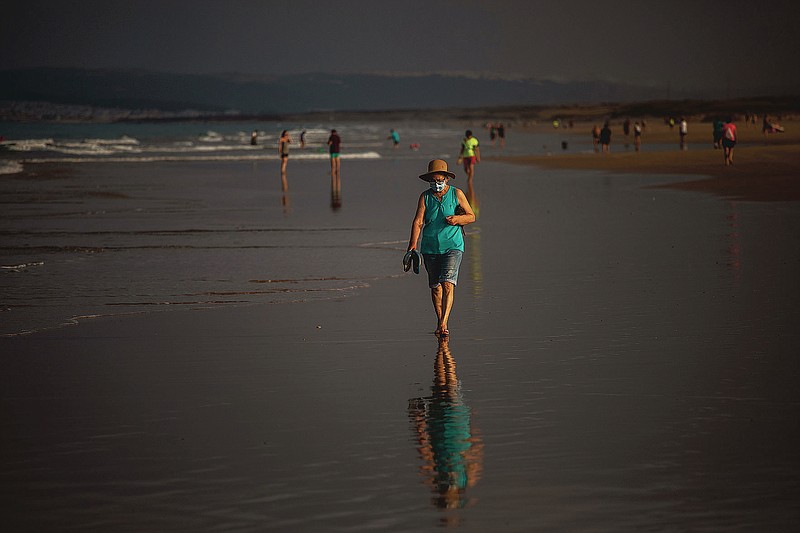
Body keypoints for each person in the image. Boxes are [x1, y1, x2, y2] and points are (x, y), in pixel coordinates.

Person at [407, 159, 476, 337]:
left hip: (453, 245)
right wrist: (412, 245)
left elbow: (471, 216)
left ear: (447, 179)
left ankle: (444, 324)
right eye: (433, 181)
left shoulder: (457, 194)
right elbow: (418, 221)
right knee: (435, 287)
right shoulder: (425, 197)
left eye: (440, 180)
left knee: (447, 283)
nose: (436, 184)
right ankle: (440, 319)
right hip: (430, 248)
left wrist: (457, 219)